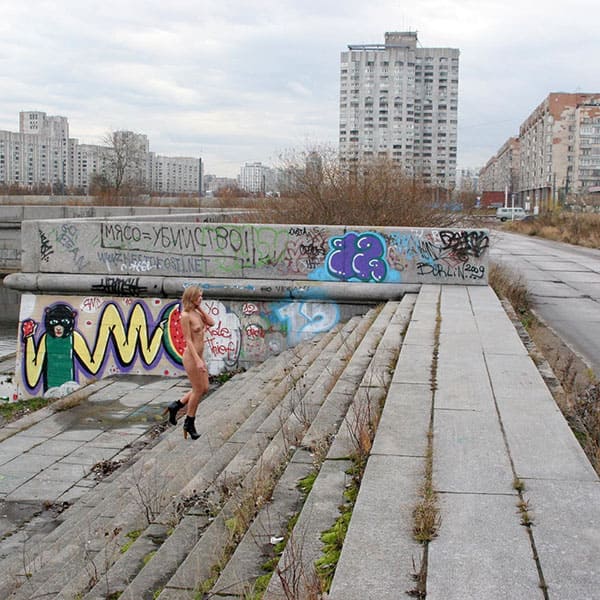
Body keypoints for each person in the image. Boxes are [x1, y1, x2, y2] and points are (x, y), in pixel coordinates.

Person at [165, 285, 215, 439]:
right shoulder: (185, 316)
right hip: (192, 357)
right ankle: (189, 422)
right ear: (191, 297)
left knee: (204, 388)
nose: (201, 298)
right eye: (199, 296)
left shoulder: (196, 313)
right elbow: (188, 340)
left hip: (199, 356)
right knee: (198, 390)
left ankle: (176, 405)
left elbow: (211, 322)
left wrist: (200, 308)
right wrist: (198, 360)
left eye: (201, 296)